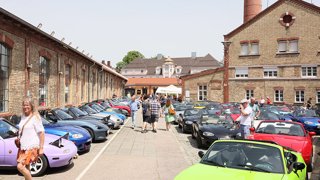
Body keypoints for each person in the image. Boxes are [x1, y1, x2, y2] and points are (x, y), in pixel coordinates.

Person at [17, 98, 45, 180]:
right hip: (23, 147)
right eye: (24, 105)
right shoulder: (23, 116)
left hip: (31, 147)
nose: (25, 107)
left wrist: (41, 148)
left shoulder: (35, 117)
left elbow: (42, 133)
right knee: (27, 168)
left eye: (27, 105)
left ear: (31, 106)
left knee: (20, 166)